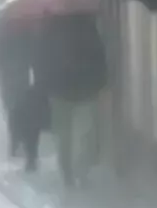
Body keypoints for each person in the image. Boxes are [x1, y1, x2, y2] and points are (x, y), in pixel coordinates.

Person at [35, 11, 109, 188]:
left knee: (63, 135)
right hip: (86, 90)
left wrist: (44, 85)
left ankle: (67, 173)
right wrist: (101, 82)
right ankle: (81, 170)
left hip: (59, 92)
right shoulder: (89, 29)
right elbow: (100, 58)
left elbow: (41, 61)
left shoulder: (49, 31)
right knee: (85, 132)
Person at [0, 24, 47, 171]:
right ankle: (30, 154)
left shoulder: (3, 39)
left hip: (11, 86)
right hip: (28, 86)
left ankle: (16, 143)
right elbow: (38, 60)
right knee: (31, 120)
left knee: (15, 115)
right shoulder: (31, 39)